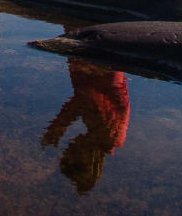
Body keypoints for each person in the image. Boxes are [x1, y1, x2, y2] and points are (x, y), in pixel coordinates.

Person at [40, 57, 129, 194]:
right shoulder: (107, 134)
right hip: (98, 68)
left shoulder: (103, 137)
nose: (71, 144)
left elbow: (84, 101)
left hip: (95, 70)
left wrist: (59, 126)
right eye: (72, 150)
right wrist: (59, 126)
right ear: (86, 160)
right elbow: (85, 98)